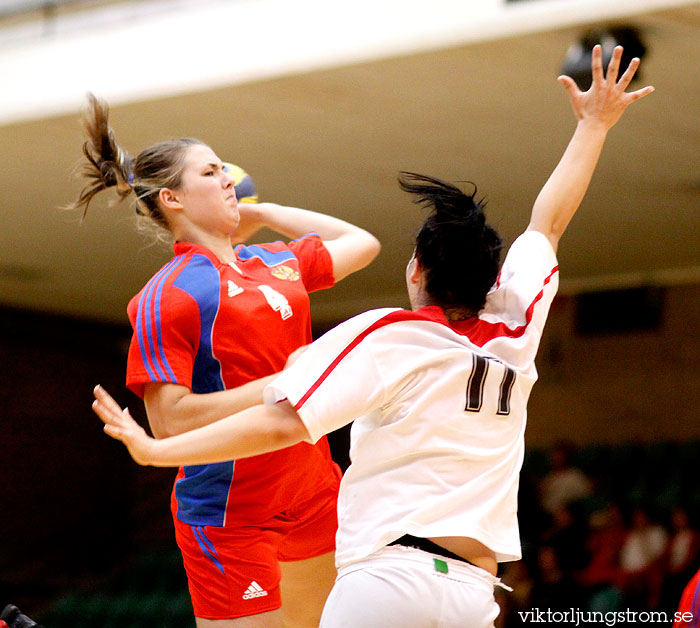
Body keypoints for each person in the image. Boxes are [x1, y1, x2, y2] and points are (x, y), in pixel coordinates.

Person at [92, 45, 653, 628]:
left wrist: (158, 453)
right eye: (211, 170)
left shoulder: (385, 335)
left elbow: (284, 418)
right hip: (470, 590)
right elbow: (548, 222)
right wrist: (594, 126)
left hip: (382, 572)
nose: (228, 179)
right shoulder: (520, 319)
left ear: (416, 272)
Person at [70, 94, 380, 628]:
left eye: (225, 169)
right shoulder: (166, 296)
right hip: (228, 515)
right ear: (173, 198)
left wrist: (258, 214)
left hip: (312, 491)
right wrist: (283, 383)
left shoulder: (274, 262)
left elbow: (362, 243)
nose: (228, 178)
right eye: (211, 172)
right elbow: (170, 423)